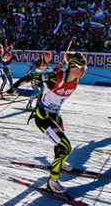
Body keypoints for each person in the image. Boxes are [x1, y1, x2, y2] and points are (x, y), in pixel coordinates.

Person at [33, 51, 87, 195]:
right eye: (81, 68)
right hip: (43, 117)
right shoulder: (53, 75)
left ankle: (59, 164)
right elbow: (34, 76)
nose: (84, 71)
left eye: (85, 68)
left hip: (56, 116)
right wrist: (15, 87)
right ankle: (52, 181)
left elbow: (65, 74)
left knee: (61, 146)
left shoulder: (74, 79)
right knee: (65, 147)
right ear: (73, 66)